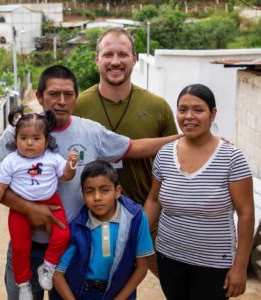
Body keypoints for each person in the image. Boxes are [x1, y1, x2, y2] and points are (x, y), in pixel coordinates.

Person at [0, 65, 181, 299]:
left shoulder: (90, 131)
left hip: (71, 251)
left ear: (76, 97)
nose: (61, 101)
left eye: (68, 94)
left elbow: (135, 147)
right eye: (54, 94)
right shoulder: (21, 132)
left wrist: (183, 139)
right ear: (40, 97)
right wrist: (29, 209)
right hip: (27, 247)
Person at [73, 27, 177, 276]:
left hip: (148, 218)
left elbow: (176, 160)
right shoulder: (77, 106)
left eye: (123, 54)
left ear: (134, 59)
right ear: (97, 59)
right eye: (108, 54)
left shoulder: (157, 107)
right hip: (90, 220)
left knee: (175, 283)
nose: (115, 61)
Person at [144, 84, 254, 300]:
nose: (189, 116)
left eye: (198, 109)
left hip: (214, 263)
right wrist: (135, 237)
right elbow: (153, 200)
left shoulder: (232, 158)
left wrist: (240, 267)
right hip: (168, 256)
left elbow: (246, 213)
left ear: (213, 114)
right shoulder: (165, 154)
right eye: (183, 109)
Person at [0, 111, 78, 299]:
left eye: (36, 138)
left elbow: (66, 176)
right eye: (23, 138)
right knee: (20, 246)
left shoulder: (52, 158)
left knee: (64, 235)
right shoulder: (11, 161)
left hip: (52, 203)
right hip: (20, 209)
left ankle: (48, 267)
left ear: (46, 140)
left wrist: (71, 165)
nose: (29, 143)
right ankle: (23, 282)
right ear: (15, 139)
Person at [53, 160, 154, 300]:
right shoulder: (77, 225)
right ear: (83, 195)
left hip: (120, 293)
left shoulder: (135, 218)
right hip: (81, 293)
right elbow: (58, 274)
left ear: (117, 191)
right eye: (89, 191)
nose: (97, 197)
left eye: (104, 190)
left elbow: (142, 266)